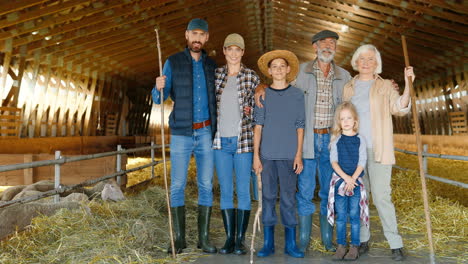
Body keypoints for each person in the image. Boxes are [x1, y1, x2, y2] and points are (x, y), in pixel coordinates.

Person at [343, 44, 415, 261]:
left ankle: (395, 243)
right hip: (355, 150)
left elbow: (400, 108)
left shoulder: (385, 86)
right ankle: (362, 240)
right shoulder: (348, 87)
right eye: (362, 58)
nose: (366, 62)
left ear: (377, 64)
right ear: (356, 62)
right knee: (360, 197)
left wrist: (408, 85)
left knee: (382, 196)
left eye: (371, 59)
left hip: (379, 148)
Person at [152, 18, 217, 254]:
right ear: (187, 36)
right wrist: (157, 86)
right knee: (178, 184)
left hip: (206, 132)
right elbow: (159, 98)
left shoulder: (212, 65)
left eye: (202, 34)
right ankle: (178, 239)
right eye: (194, 34)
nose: (197, 38)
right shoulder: (173, 62)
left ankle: (204, 239)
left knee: (206, 185)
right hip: (181, 132)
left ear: (207, 38)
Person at [253, 50, 305, 258]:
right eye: (274, 66)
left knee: (288, 198)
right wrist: (256, 156)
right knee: (267, 197)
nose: (279, 70)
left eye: (282, 66)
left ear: (289, 69)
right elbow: (258, 126)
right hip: (267, 155)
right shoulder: (262, 95)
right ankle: (268, 243)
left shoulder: (297, 95)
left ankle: (290, 244)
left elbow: (300, 126)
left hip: (289, 155)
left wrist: (298, 154)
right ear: (269, 71)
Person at [213, 33, 260, 255]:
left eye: (237, 50)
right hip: (221, 141)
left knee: (242, 190)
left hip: (243, 142)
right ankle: (228, 238)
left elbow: (259, 107)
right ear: (224, 51)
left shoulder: (251, 77)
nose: (233, 53)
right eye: (229, 49)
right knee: (225, 190)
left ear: (242, 52)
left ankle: (240, 240)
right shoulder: (216, 76)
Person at [326, 101, 369, 261]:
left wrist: (353, 179)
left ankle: (354, 246)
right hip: (340, 183)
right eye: (342, 118)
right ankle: (341, 245)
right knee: (342, 215)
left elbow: (362, 161)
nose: (346, 121)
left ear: (355, 121)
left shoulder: (360, 140)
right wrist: (346, 178)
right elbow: (334, 162)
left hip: (356, 184)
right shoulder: (336, 140)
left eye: (349, 118)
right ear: (339, 121)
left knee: (354, 214)